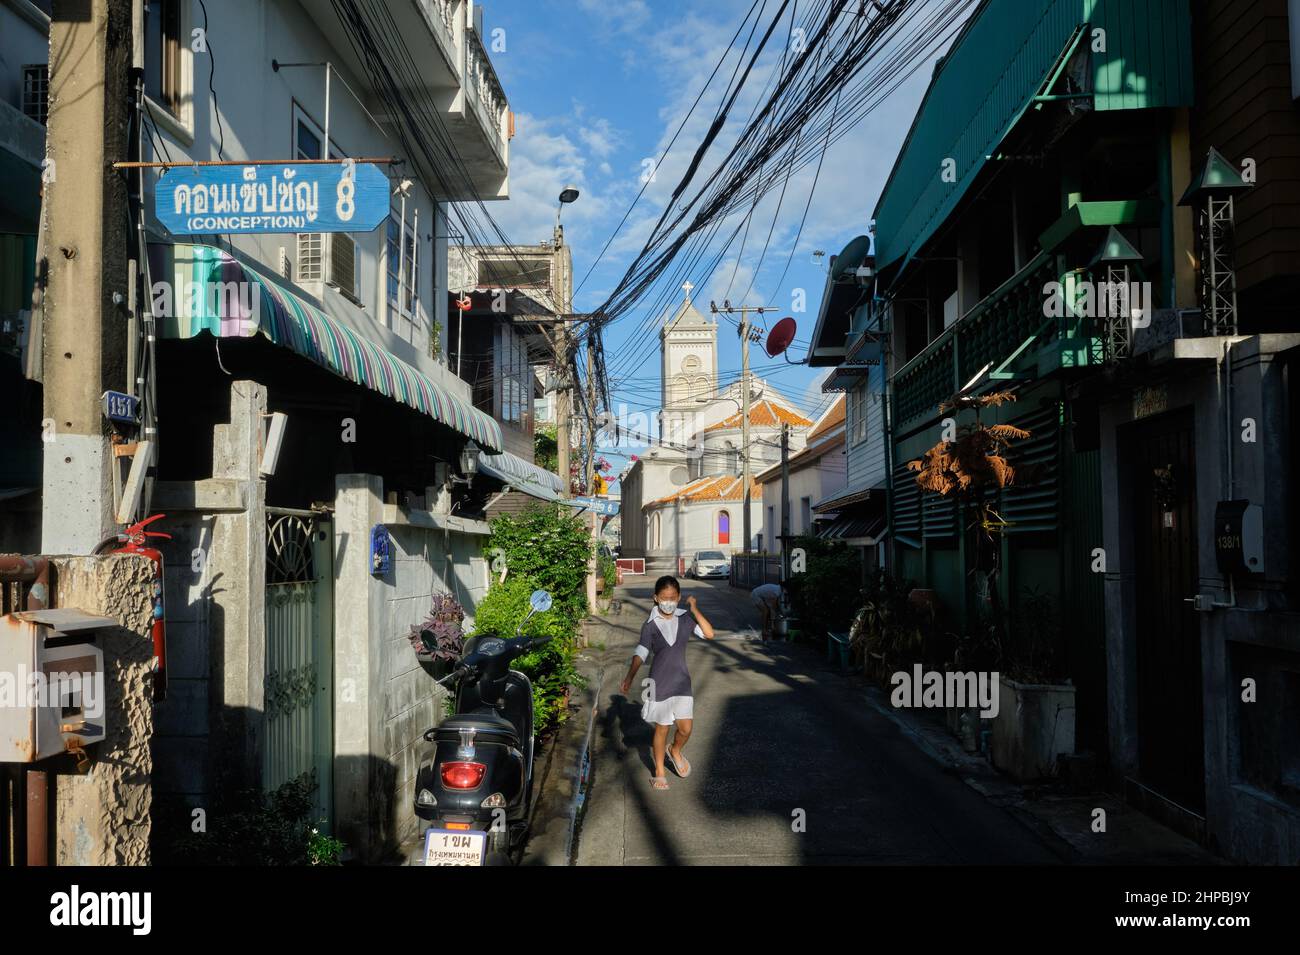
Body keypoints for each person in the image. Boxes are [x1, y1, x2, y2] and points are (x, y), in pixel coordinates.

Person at [620, 575, 714, 790]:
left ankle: (676, 751)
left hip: (682, 682)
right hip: (659, 683)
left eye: (672, 597)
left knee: (686, 729)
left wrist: (694, 608)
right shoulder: (650, 625)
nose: (668, 602)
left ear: (678, 597)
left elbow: (709, 633)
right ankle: (660, 772)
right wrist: (629, 677)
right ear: (656, 598)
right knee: (662, 729)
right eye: (664, 598)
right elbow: (641, 653)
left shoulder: (685, 619)